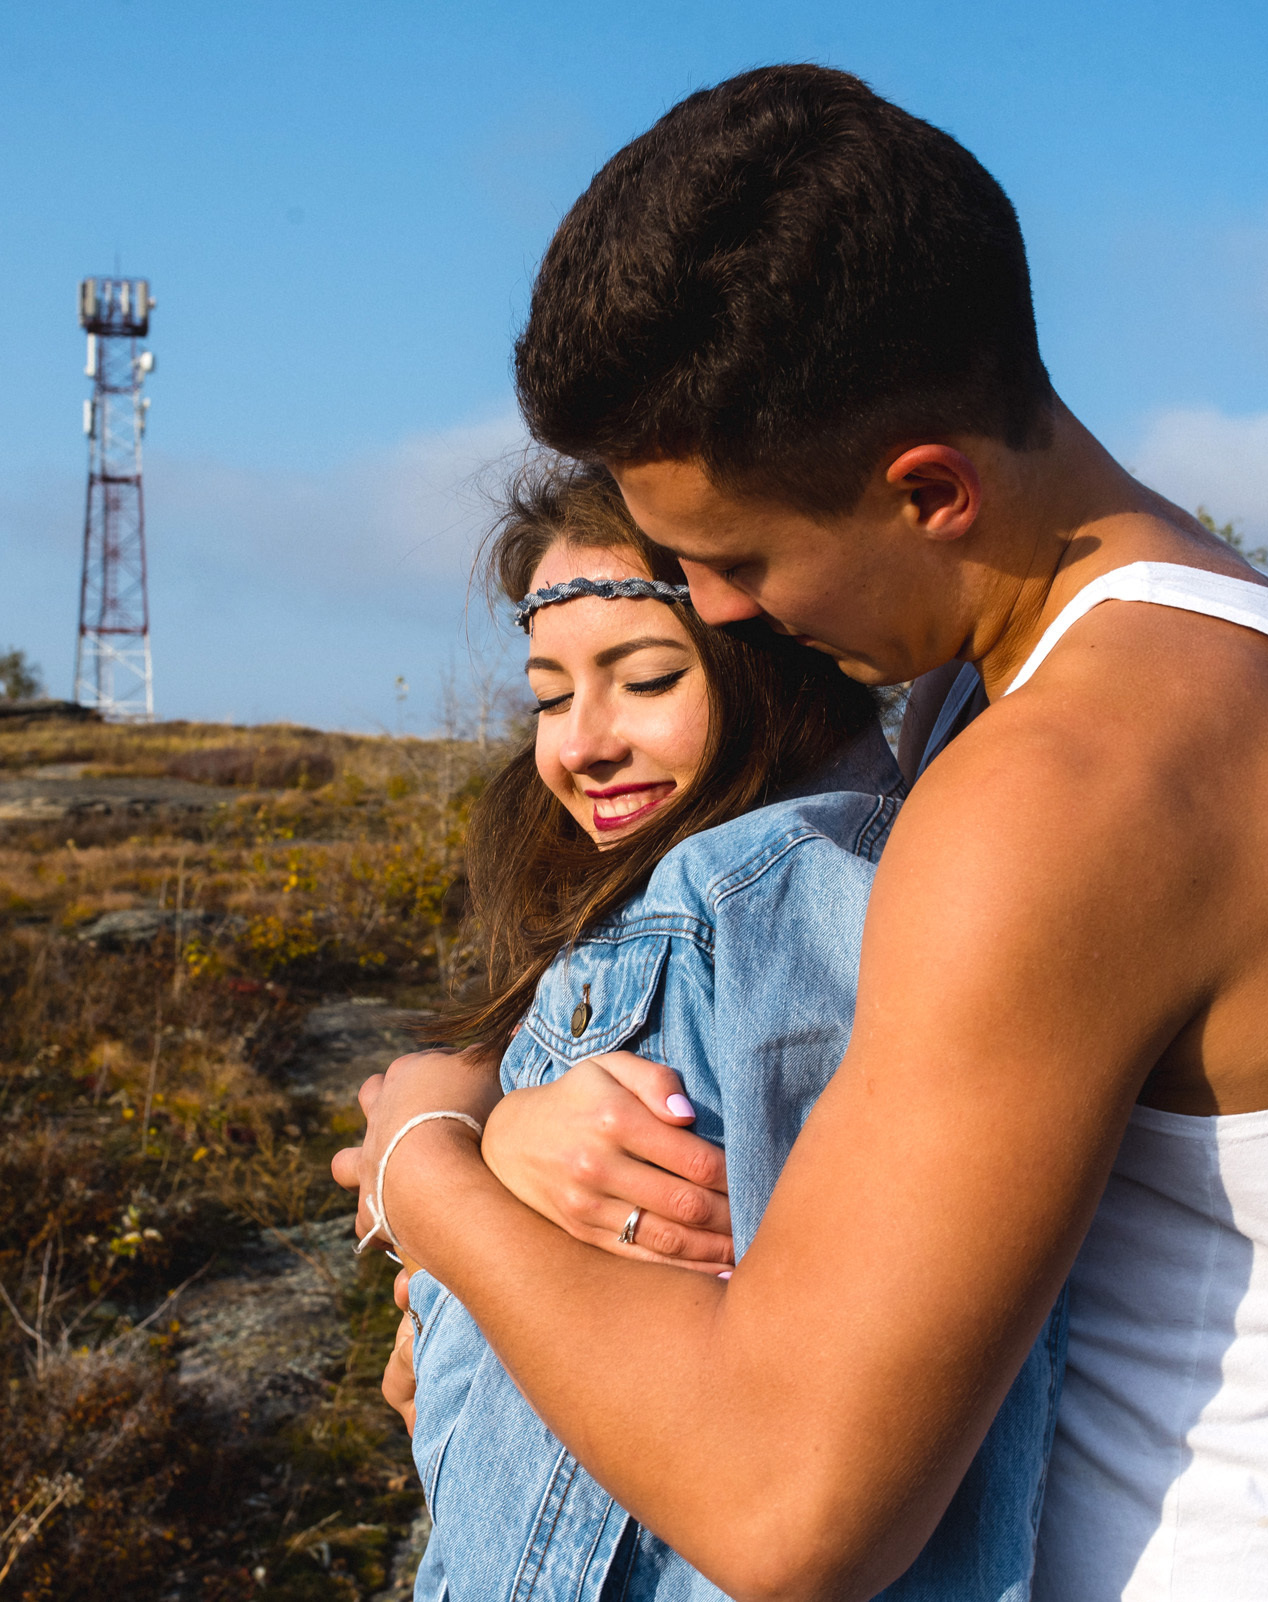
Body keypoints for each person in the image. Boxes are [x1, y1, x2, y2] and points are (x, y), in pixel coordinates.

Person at [339, 64, 1268, 1602]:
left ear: (933, 489)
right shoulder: (1216, 664)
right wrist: (511, 1126)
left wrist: (425, 1161)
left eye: (738, 557)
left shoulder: (1070, 782)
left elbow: (787, 1508)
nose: (723, 610)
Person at [391, 458, 1067, 1601]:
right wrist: (485, 1139)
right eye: (549, 696)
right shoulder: (690, 909)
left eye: (648, 679)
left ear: (784, 662)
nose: (578, 745)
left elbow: (765, 1460)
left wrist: (427, 1178)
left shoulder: (753, 898)